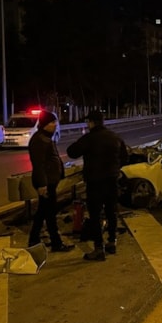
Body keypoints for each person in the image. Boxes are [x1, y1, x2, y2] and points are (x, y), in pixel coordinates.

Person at [67, 110, 128, 261]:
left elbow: (72, 152)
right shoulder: (115, 137)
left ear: (91, 122)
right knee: (111, 212)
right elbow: (124, 158)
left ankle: (98, 248)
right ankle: (112, 242)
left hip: (95, 183)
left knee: (95, 215)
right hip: (112, 181)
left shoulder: (89, 138)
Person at [27, 111, 75, 253]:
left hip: (50, 182)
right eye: (52, 123)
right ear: (45, 125)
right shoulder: (40, 140)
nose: (55, 125)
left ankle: (34, 239)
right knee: (49, 214)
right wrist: (42, 185)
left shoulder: (46, 138)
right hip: (46, 183)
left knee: (44, 212)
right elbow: (39, 165)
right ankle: (55, 243)